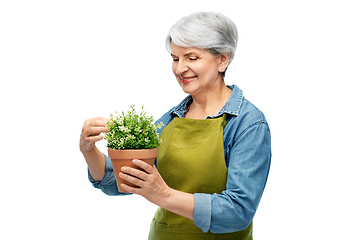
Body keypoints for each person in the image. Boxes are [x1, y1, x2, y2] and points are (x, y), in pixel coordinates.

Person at [80, 12, 271, 239]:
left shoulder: (247, 124)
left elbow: (238, 211)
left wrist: (164, 195)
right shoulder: (170, 120)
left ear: (223, 59)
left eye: (191, 58)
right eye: (175, 59)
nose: (180, 69)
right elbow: (121, 182)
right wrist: (88, 150)